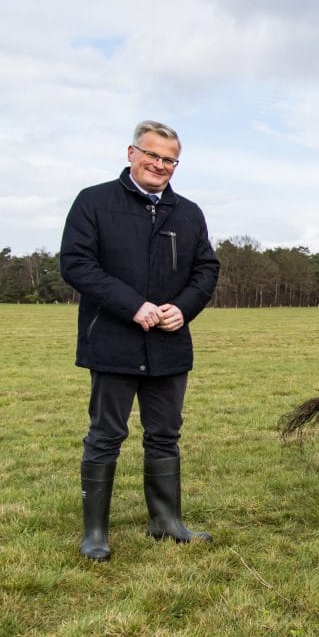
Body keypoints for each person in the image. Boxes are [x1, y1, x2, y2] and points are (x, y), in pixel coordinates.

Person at [60, 120, 220, 561]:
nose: (160, 165)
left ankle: (166, 522)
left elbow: (207, 269)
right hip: (112, 342)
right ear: (131, 153)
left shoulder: (188, 213)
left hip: (169, 345)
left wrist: (183, 308)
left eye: (170, 160)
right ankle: (95, 532)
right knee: (105, 435)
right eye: (152, 155)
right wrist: (132, 305)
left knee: (165, 434)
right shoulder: (94, 202)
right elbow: (76, 264)